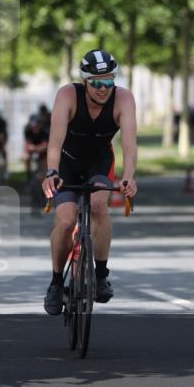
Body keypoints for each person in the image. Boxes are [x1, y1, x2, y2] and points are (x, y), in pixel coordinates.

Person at [41, 49, 138, 315]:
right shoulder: (67, 95)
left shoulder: (124, 99)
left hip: (99, 161)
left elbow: (130, 147)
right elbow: (55, 142)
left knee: (98, 206)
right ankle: (56, 281)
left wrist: (129, 176)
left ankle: (101, 275)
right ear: (85, 81)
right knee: (66, 220)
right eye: (96, 82)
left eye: (109, 81)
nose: (103, 88)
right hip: (66, 163)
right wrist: (51, 172)